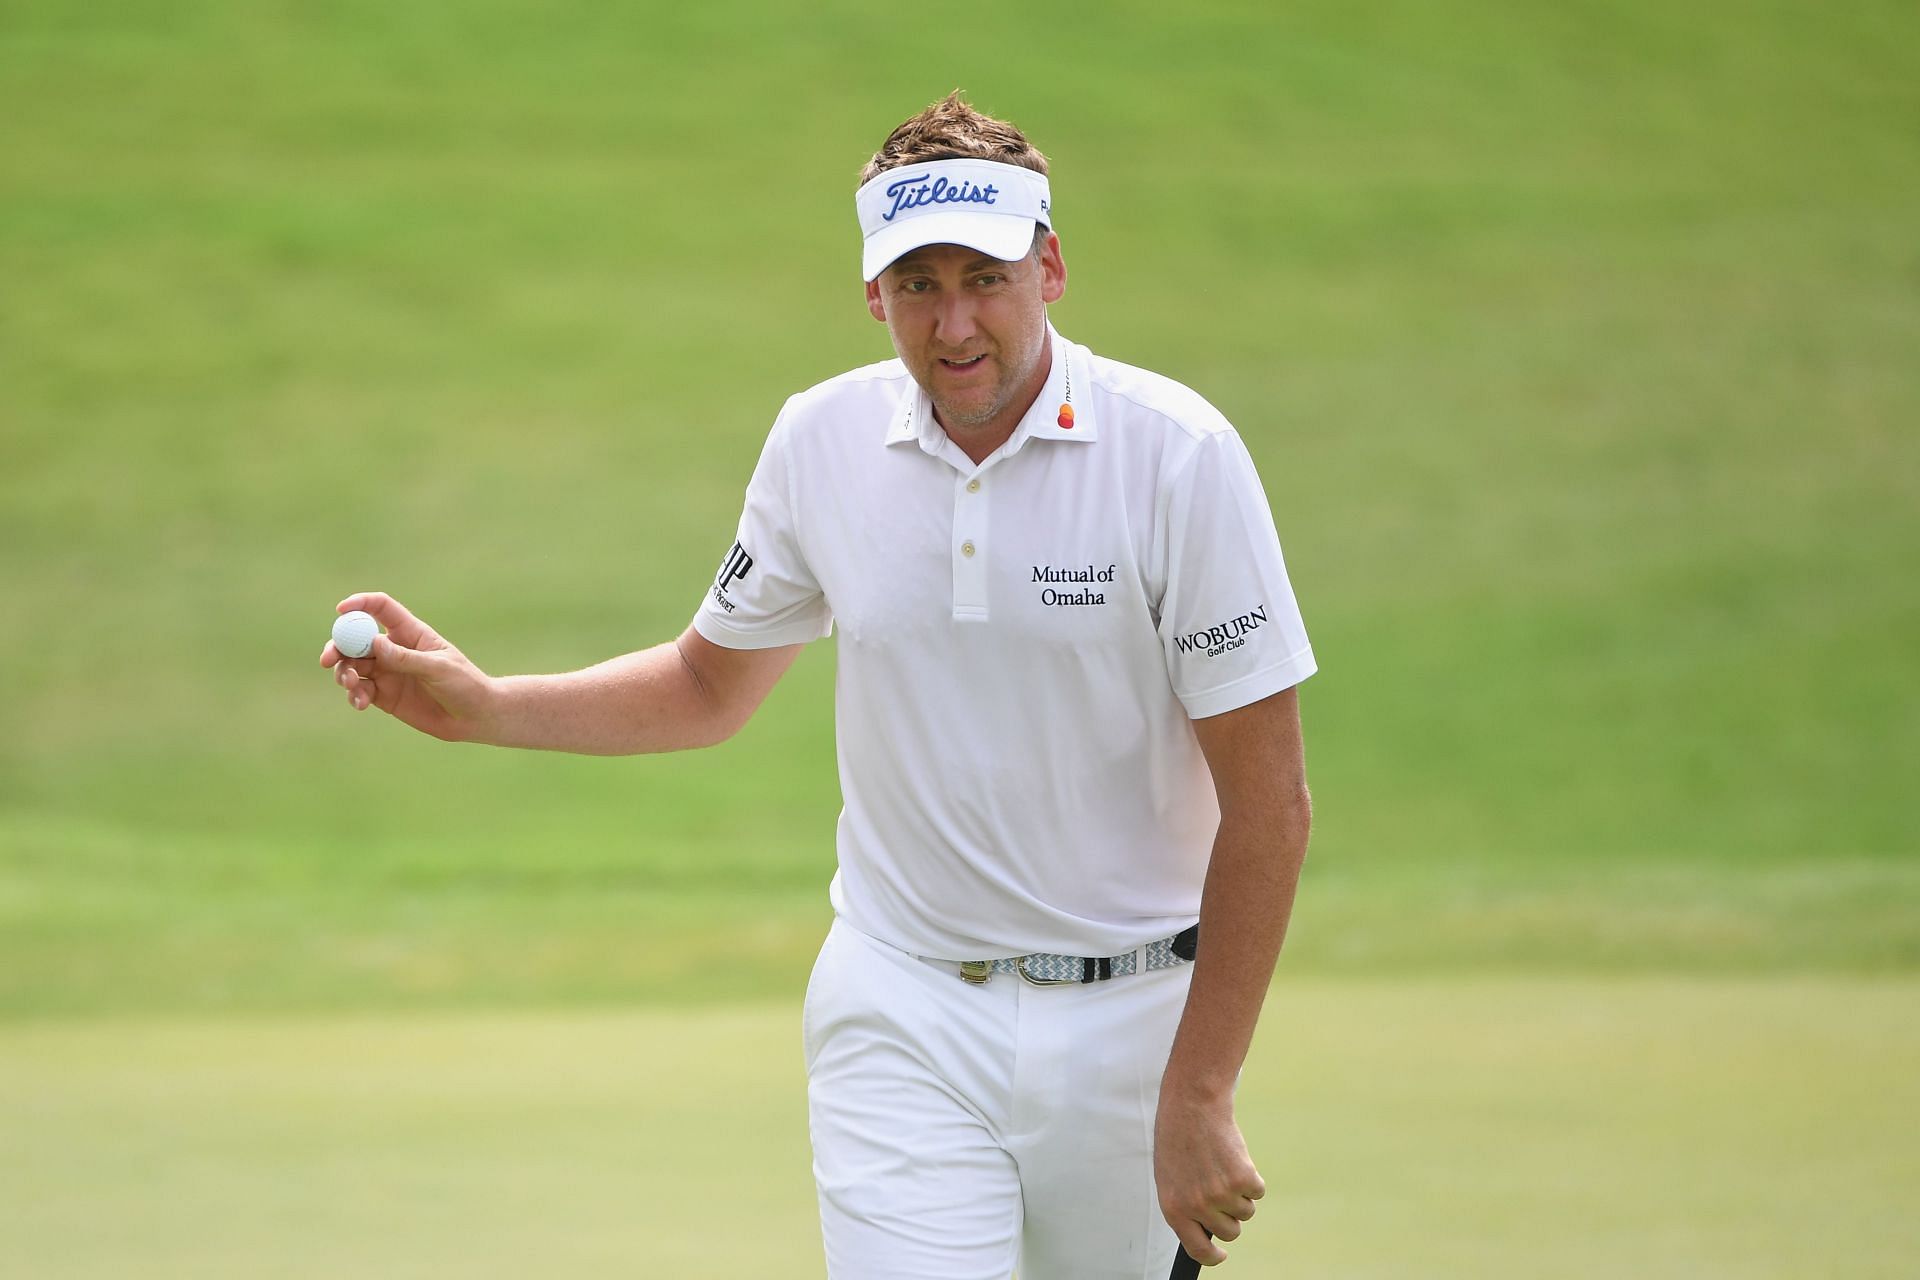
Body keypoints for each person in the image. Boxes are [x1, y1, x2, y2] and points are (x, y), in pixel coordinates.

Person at [321, 91, 1314, 1280]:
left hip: (1132, 1019)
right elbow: (704, 685)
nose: (953, 325)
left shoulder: (1177, 455)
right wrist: (488, 706)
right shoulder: (820, 441)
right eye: (917, 285)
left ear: (1050, 266)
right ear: (871, 293)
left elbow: (1270, 807)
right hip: (903, 1011)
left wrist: (1199, 1089)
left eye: (985, 278)